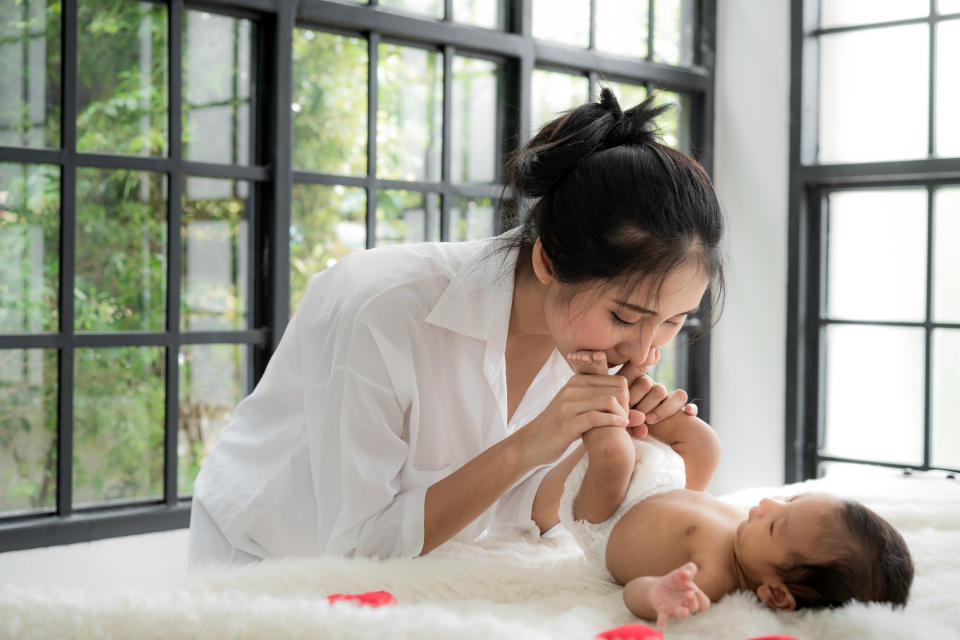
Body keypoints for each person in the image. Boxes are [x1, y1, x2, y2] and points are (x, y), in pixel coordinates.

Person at [187, 87, 725, 567]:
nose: (644, 353)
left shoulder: (584, 341)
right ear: (550, 263)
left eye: (674, 322)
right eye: (626, 317)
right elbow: (355, 548)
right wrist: (531, 442)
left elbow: (526, 514)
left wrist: (605, 443)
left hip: (425, 571)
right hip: (266, 561)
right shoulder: (380, 308)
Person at [557, 350, 914, 634]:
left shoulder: (714, 578)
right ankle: (635, 387)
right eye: (788, 502)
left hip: (607, 518)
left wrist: (659, 593)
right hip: (657, 487)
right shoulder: (751, 535)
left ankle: (596, 386)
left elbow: (634, 595)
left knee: (615, 455)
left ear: (775, 593)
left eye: (776, 525)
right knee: (707, 446)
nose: (766, 505)